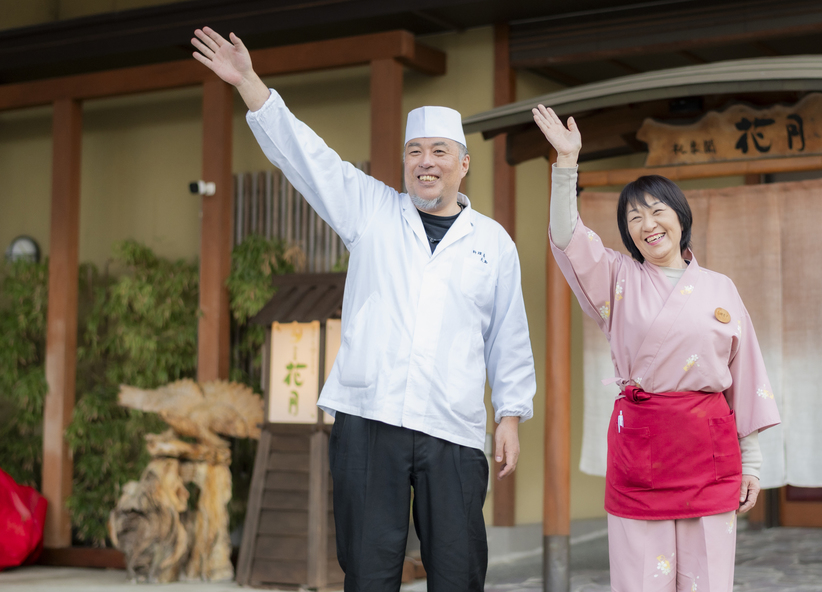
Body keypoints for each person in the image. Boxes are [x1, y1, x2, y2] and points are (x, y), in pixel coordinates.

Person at [191, 27, 537, 592]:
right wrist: (250, 84)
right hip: (370, 416)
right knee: (368, 571)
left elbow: (508, 335)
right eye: (415, 151)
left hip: (452, 424)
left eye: (439, 152)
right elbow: (308, 158)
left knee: (458, 570)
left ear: (463, 164)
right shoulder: (372, 211)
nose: (426, 163)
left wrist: (511, 415)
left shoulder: (492, 242)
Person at [534, 104, 781, 592]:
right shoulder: (616, 278)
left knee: (707, 579)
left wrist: (751, 464)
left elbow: (746, 376)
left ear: (680, 218)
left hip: (708, 452)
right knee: (641, 579)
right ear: (627, 232)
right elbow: (567, 237)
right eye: (634, 217)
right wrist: (567, 165)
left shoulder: (720, 288)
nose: (647, 224)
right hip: (641, 449)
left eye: (657, 211)